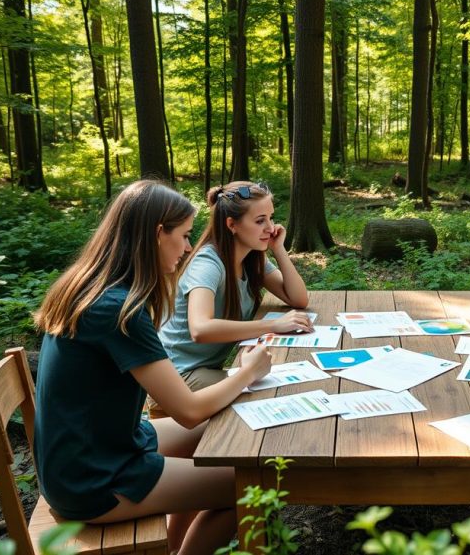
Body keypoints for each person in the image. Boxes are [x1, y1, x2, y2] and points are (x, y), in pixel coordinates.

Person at [33, 180, 272, 555]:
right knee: (255, 484)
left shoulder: (93, 287)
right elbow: (188, 411)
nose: (190, 247)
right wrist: (247, 372)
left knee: (226, 425)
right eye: (185, 235)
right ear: (158, 234)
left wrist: (239, 378)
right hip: (95, 479)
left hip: (97, 448)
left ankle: (177, 545)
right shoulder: (117, 310)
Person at [152, 181, 309, 416]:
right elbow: (200, 328)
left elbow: (298, 298)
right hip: (179, 377)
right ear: (232, 224)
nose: (270, 227)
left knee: (275, 388)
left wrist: (278, 249)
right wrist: (273, 325)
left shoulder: (251, 257)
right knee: (269, 399)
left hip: (206, 370)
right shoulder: (208, 263)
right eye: (259, 221)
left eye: (270, 217)